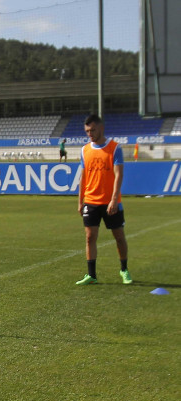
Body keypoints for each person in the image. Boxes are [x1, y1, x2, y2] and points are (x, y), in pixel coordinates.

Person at [76, 114, 131, 285]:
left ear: (101, 128)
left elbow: (118, 174)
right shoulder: (84, 150)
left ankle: (124, 270)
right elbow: (83, 178)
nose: (90, 134)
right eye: (87, 131)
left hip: (110, 202)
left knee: (119, 237)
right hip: (91, 201)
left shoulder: (115, 148)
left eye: (92, 130)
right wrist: (80, 201)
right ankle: (91, 275)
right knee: (89, 237)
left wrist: (114, 199)